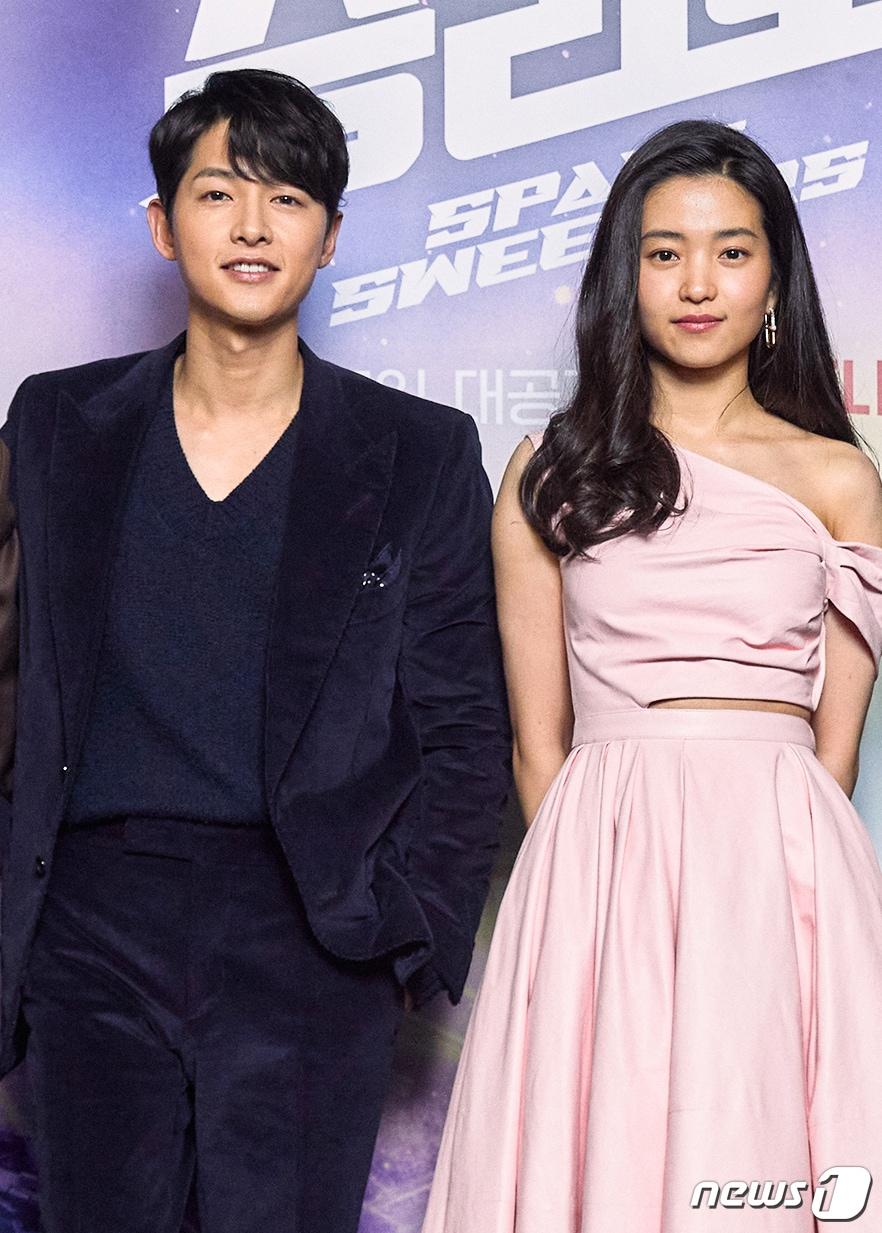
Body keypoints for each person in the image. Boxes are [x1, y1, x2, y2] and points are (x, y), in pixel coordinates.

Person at [0, 68, 512, 1233]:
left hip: (310, 926)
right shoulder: (57, 424)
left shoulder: (416, 450)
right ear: (161, 224)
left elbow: (462, 718)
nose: (250, 225)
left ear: (328, 239)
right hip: (89, 916)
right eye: (219, 192)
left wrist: (404, 925)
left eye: (286, 199)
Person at [420, 118, 882, 1231]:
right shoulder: (552, 470)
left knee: (759, 1137)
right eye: (664, 252)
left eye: (732, 251)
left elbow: (835, 750)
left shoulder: (839, 479)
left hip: (781, 859)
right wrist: (594, 890)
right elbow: (538, 744)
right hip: (600, 853)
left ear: (775, 279)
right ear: (624, 277)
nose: (698, 283)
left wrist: (765, 870)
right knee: (609, 1147)